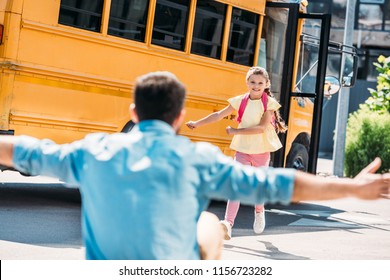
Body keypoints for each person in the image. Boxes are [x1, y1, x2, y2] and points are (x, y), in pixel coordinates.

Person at [0, 71, 389, 260]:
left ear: (133, 112)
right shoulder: (198, 159)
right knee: (207, 224)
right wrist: (352, 188)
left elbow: (22, 149)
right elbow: (277, 184)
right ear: (179, 116)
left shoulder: (92, 152)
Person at [186, 66, 287, 240]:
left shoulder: (268, 103)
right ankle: (227, 224)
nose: (256, 86)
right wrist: (197, 123)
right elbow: (218, 115)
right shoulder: (240, 101)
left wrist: (235, 131)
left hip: (261, 150)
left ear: (266, 84)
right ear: (247, 82)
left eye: (260, 83)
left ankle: (259, 210)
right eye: (253, 82)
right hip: (243, 149)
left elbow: (261, 128)